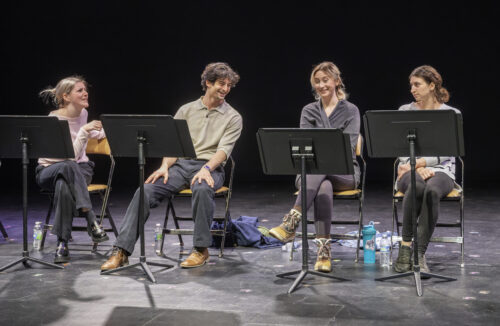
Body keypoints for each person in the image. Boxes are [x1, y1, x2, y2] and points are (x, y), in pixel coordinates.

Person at [101, 62, 242, 271]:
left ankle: (201, 249)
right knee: (145, 190)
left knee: (202, 189)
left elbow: (223, 151)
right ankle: (121, 251)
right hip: (181, 165)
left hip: (210, 167)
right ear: (208, 83)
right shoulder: (186, 110)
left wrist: (206, 169)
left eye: (229, 85)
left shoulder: (233, 117)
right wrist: (164, 166)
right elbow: (173, 143)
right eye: (222, 84)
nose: (225, 89)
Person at [268, 62, 360, 273]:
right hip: (310, 172)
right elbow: (303, 146)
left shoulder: (351, 110)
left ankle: (291, 223)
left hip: (344, 172)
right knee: (323, 185)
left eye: (325, 80)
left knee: (323, 171)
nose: (321, 85)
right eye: (317, 81)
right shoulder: (309, 110)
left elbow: (348, 148)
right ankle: (323, 254)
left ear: (336, 81)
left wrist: (324, 151)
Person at [393, 65, 461, 275]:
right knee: (416, 185)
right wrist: (414, 166)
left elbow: (450, 150)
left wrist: (422, 163)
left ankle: (418, 253)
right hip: (408, 169)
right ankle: (405, 248)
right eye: (411, 85)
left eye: (417, 84)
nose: (413, 89)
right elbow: (400, 148)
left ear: (432, 85)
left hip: (442, 171)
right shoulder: (406, 111)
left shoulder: (451, 113)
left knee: (431, 191)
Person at [37, 76, 108, 263]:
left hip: (79, 169)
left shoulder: (83, 113)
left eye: (85, 90)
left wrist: (104, 130)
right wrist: (84, 132)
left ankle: (62, 243)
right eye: (79, 90)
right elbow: (68, 157)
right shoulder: (54, 120)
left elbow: (82, 135)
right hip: (48, 170)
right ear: (65, 96)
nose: (85, 93)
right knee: (67, 166)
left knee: (64, 186)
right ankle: (91, 218)